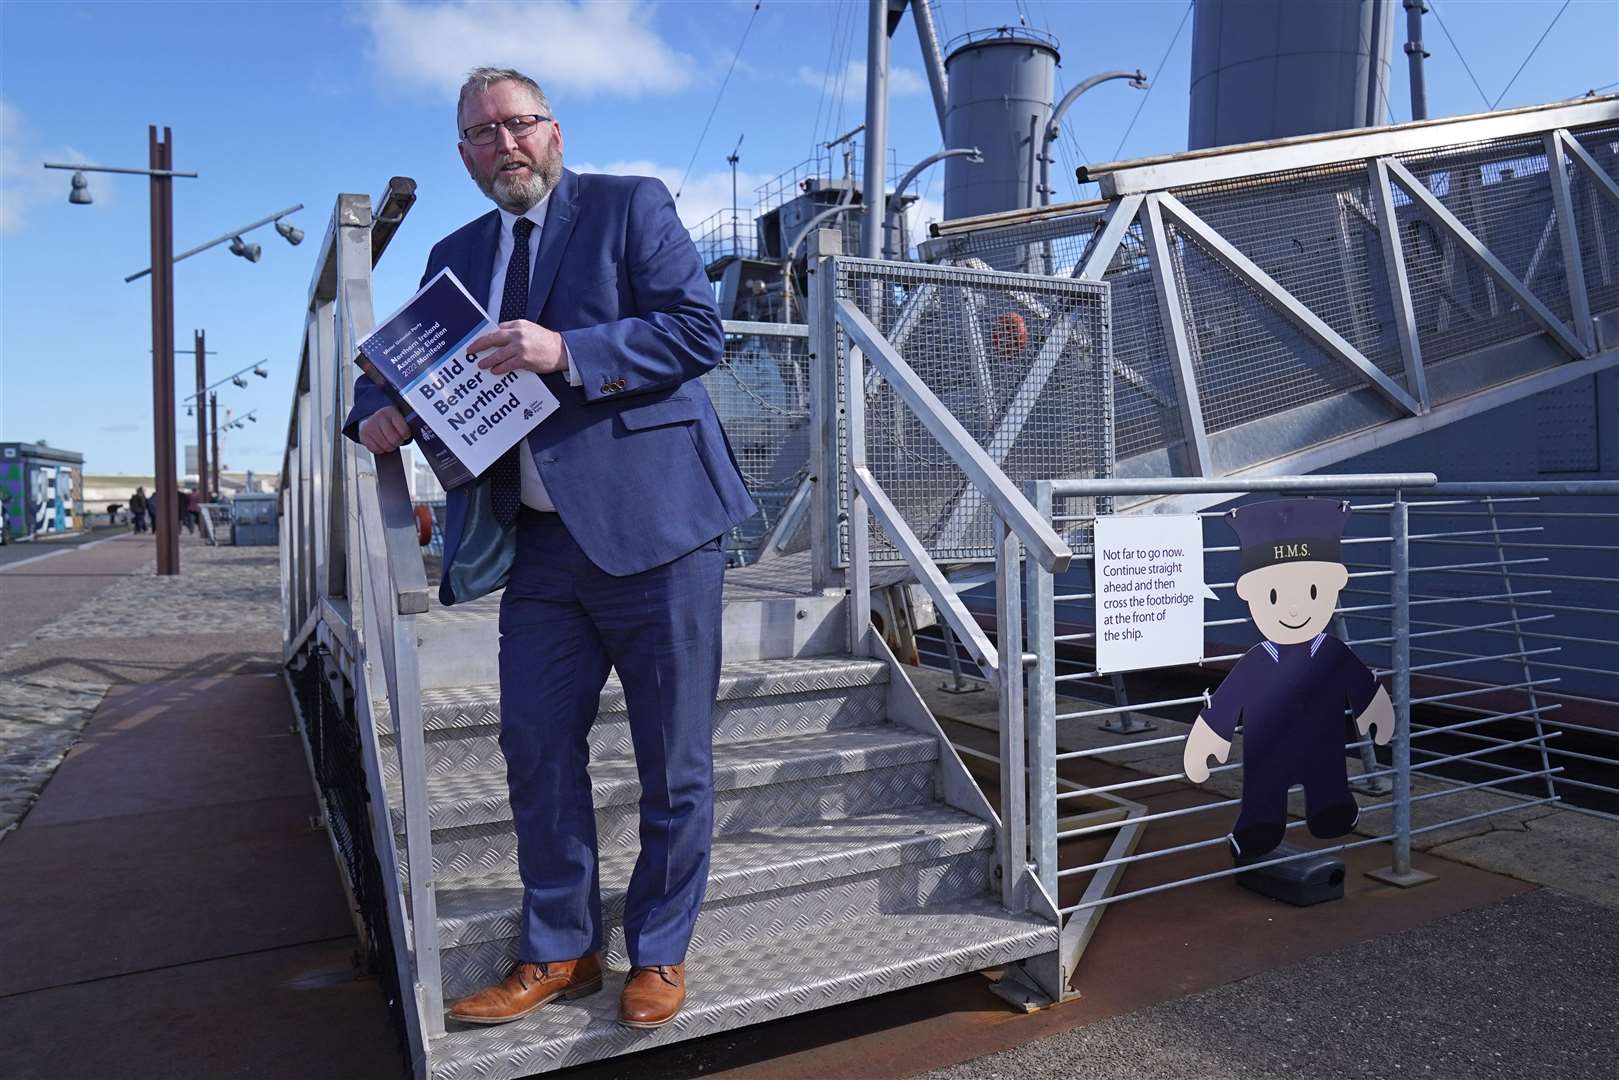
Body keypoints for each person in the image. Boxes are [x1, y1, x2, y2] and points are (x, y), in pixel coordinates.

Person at [345, 67, 756, 1029]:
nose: (505, 145)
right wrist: (373, 417)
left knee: (672, 759)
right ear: (464, 155)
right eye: (483, 134)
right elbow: (389, 372)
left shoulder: (627, 208)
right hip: (534, 548)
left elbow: (699, 331)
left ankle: (659, 951)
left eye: (519, 125)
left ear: (554, 132)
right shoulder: (455, 256)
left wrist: (565, 350)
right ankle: (561, 947)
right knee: (533, 746)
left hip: (658, 530)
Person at [1183, 499, 1393, 861]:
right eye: (1276, 596)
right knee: (1264, 796)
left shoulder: (1331, 652)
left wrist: (1375, 709)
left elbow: (1360, 685)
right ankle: (1257, 828)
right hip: (1271, 754)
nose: (1294, 609)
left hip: (1320, 748)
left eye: (1312, 592)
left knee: (1328, 784)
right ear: (1252, 594)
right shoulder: (1259, 661)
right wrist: (1210, 736)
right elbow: (1229, 701)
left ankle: (1333, 807)